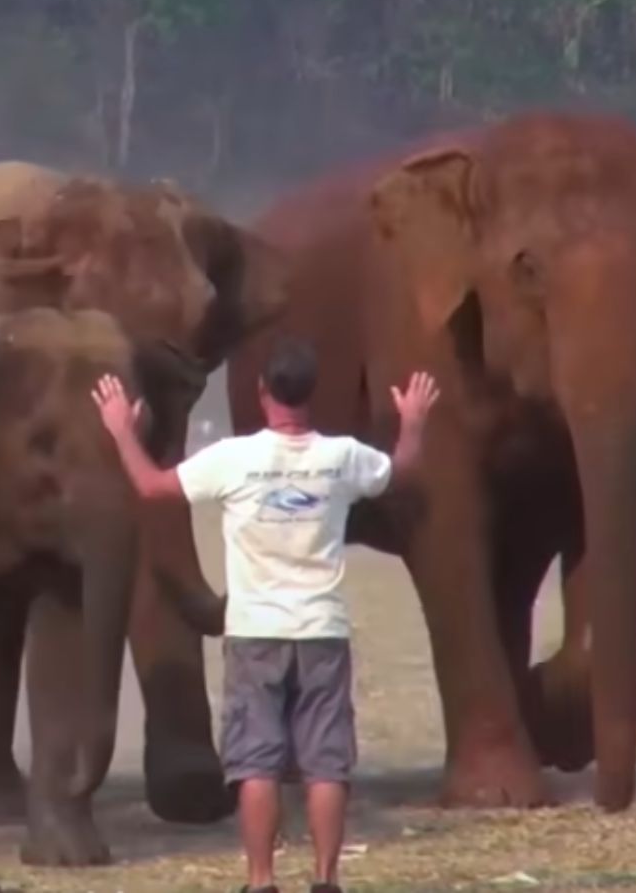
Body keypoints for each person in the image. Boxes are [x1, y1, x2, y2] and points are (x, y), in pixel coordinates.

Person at [90, 337, 440, 893]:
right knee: (326, 764)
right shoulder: (342, 457)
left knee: (256, 763)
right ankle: (326, 880)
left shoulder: (234, 458)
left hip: (254, 632)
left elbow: (152, 488)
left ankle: (260, 881)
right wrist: (414, 421)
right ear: (311, 395)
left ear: (261, 393)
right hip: (322, 630)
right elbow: (401, 474)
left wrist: (121, 432)